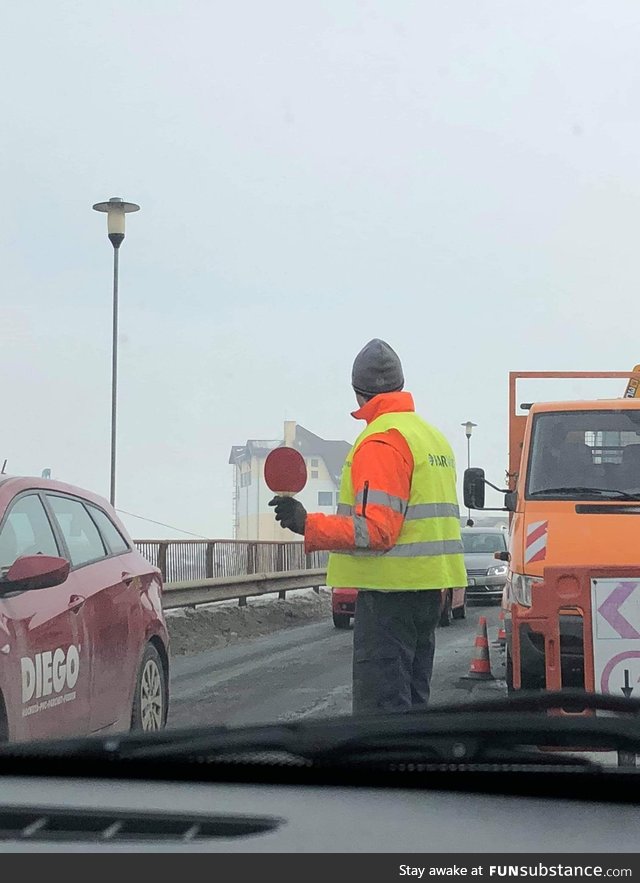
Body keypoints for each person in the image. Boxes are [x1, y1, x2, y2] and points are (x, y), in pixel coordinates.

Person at [269, 338, 467, 714]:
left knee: (383, 718)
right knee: (412, 706)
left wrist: (308, 525)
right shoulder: (430, 436)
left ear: (358, 393)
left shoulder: (381, 441)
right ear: (401, 384)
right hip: (428, 591)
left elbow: (377, 531)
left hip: (391, 595)